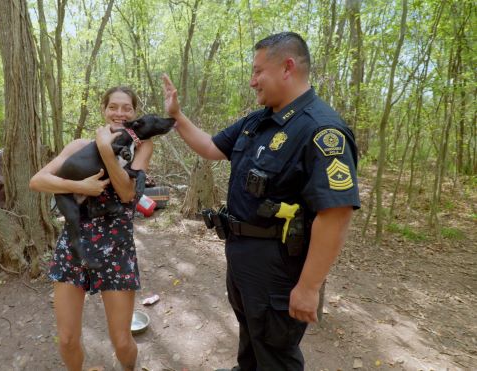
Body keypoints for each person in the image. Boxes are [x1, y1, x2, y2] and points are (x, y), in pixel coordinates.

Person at [162, 32, 360, 370]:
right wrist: (178, 118)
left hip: (278, 267)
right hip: (242, 257)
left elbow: (336, 213)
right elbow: (212, 147)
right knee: (251, 343)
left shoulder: (321, 129)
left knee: (275, 354)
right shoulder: (259, 120)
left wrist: (309, 287)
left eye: (257, 72)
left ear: (287, 67)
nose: (252, 82)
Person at [30, 86, 153, 371]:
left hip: (117, 249)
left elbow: (126, 194)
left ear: (135, 113)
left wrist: (106, 151)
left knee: (122, 341)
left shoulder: (141, 148)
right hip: (74, 247)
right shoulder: (77, 147)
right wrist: (78, 186)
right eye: (113, 106)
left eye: (127, 108)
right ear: (104, 109)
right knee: (67, 339)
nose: (120, 113)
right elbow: (38, 181)